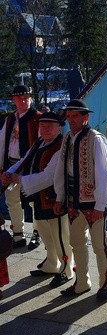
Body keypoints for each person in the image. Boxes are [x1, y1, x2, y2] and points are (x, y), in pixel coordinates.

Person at [2, 112, 74, 288]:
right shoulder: (40, 142)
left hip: (55, 199)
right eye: (42, 126)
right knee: (45, 234)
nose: (45, 129)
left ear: (59, 128)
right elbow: (24, 161)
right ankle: (52, 263)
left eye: (50, 126)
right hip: (39, 198)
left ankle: (67, 269)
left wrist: (20, 180)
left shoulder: (61, 146)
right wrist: (10, 172)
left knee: (60, 237)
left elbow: (49, 176)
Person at [53, 99, 107, 301]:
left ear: (85, 117)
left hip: (93, 202)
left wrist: (100, 204)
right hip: (72, 201)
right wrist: (60, 196)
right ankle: (81, 282)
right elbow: (60, 170)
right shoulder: (67, 138)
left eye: (75, 116)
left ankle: (104, 284)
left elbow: (104, 174)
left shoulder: (96, 139)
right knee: (76, 242)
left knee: (98, 245)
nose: (71, 120)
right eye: (68, 116)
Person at [0, 85, 41, 249]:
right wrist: (2, 169)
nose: (23, 100)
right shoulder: (10, 119)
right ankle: (18, 234)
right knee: (12, 200)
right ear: (14, 100)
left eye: (26, 97)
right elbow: (2, 143)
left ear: (30, 98)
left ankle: (37, 233)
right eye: (19, 98)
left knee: (34, 202)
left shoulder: (38, 118)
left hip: (31, 166)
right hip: (11, 164)